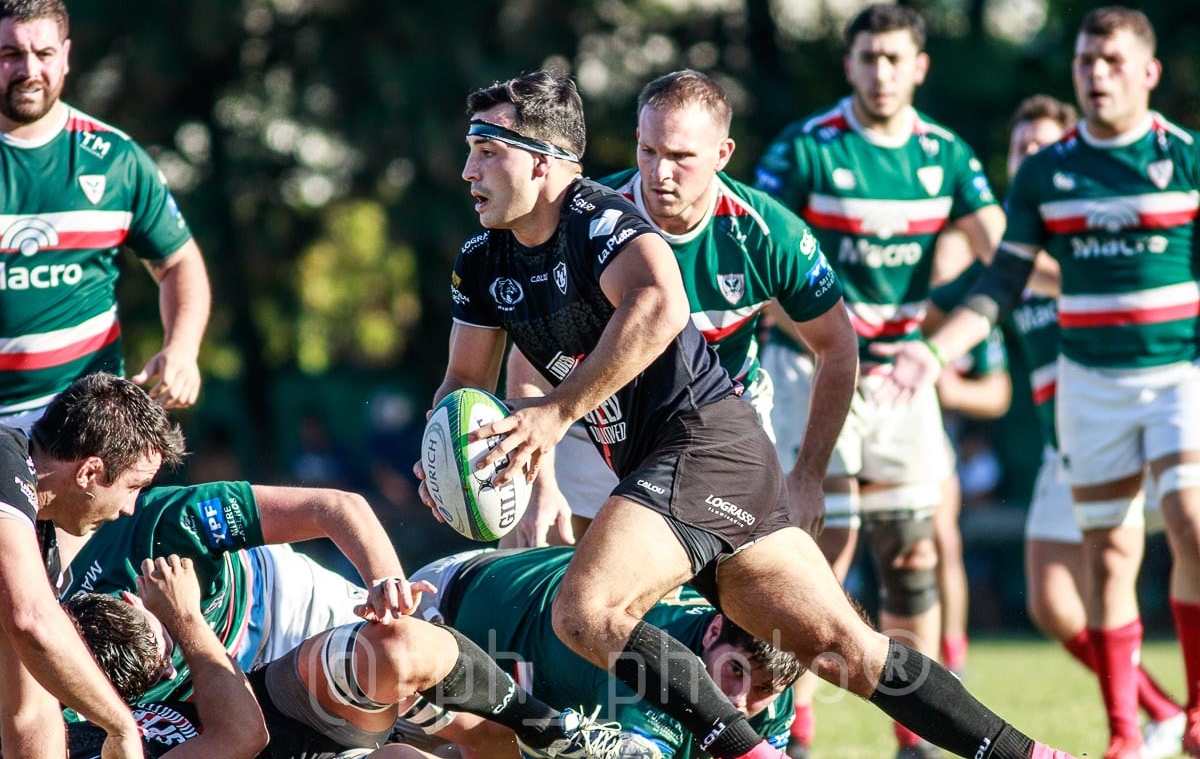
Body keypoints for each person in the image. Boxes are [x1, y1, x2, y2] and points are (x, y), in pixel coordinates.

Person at [418, 67, 1076, 759]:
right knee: (842, 648)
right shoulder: (482, 261)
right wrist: (443, 457)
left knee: (587, 611)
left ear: (548, 161)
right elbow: (463, 380)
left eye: (488, 149)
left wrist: (554, 416)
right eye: (471, 147)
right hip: (696, 468)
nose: (468, 169)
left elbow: (662, 302)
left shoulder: (601, 217)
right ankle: (1029, 755)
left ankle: (749, 754)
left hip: (701, 446)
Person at [876, 8, 1200, 759]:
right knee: (1109, 557)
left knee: (1191, 520)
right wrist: (932, 350)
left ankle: (1194, 710)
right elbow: (1000, 283)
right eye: (1087, 60)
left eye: (1114, 61)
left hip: (1175, 379)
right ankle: (1125, 733)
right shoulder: (1047, 175)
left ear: (1148, 73)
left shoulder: (1184, 159)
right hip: (1089, 387)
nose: (1097, 74)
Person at [752, 3, 1005, 758]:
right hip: (810, 368)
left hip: (900, 380)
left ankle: (915, 742)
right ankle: (795, 737)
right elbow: (754, 254)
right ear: (850, 65)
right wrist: (822, 342)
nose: (882, 71)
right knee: (810, 558)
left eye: (896, 57)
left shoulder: (948, 155)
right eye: (869, 57)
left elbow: (1008, 262)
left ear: (919, 66)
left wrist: (948, 340)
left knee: (912, 552)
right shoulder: (808, 147)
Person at [504, 69, 856, 545]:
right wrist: (539, 484)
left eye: (681, 157)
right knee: (550, 565)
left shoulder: (768, 234)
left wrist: (810, 476)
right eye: (648, 151)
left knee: (740, 590)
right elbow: (528, 358)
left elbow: (838, 347)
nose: (659, 173)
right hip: (597, 418)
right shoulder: (583, 220)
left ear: (722, 155)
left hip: (723, 423)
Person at [61, 478, 628, 759]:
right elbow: (241, 734)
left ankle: (551, 733)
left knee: (397, 646)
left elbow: (337, 507)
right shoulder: (101, 728)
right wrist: (184, 620)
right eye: (162, 668)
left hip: (262, 672)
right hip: (245, 722)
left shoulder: (150, 530)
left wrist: (386, 583)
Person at [1002, 94, 1183, 759]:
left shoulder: (1075, 240)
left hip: (1146, 414)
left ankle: (1155, 722)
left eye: (1041, 148)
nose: (1030, 160)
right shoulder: (1014, 240)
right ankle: (1163, 710)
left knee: (1172, 546)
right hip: (1068, 443)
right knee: (1051, 603)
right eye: (1020, 150)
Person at [0, 0, 210, 429]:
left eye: (44, 53)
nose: (29, 69)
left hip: (85, 422)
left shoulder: (116, 159)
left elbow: (179, 262)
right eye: (10, 54)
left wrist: (182, 349)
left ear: (66, 55)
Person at [402, 547, 802, 759]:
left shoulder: (770, 688)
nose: (740, 698)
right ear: (714, 630)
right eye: (734, 671)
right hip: (445, 607)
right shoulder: (650, 670)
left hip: (525, 593)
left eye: (764, 688)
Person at [0, 371, 185, 759]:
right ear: (88, 473)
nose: (130, 508)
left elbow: (30, 711)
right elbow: (32, 620)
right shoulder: (3, 464)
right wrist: (119, 726)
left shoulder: (39, 546)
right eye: (133, 486)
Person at [65, 555, 269, 758]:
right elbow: (243, 734)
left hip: (257, 586)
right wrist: (184, 616)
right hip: (262, 704)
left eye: (166, 657)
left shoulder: (62, 728)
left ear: (133, 600)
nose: (171, 673)